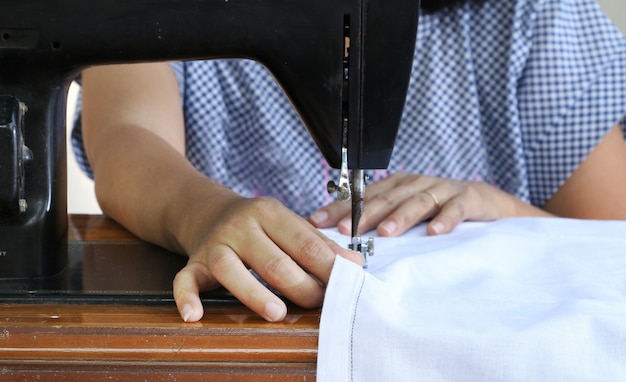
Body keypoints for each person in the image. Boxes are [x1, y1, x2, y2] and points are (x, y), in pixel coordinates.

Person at [73, 0, 626, 323]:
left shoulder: (528, 18)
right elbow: (126, 135)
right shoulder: (167, 13)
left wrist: (505, 212)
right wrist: (204, 213)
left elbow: (615, 246)